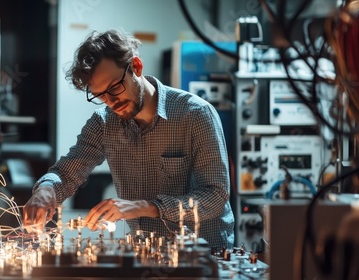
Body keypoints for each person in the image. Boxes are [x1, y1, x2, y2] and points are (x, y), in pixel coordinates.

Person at [22, 28, 234, 250]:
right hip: (147, 255)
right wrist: (46, 190)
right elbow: (66, 173)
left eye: (115, 87)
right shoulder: (104, 123)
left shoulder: (195, 114)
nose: (111, 101)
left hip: (206, 255)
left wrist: (146, 207)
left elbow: (215, 196)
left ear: (136, 67)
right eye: (100, 95)